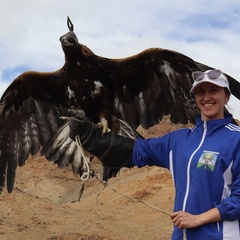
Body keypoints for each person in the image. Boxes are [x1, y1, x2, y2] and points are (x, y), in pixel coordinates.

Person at [68, 69, 240, 240]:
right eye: (200, 92)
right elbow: (138, 151)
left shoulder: (236, 139)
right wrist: (90, 137)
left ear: (226, 97)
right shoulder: (179, 140)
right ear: (195, 98)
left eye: (214, 90)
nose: (206, 97)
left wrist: (198, 219)